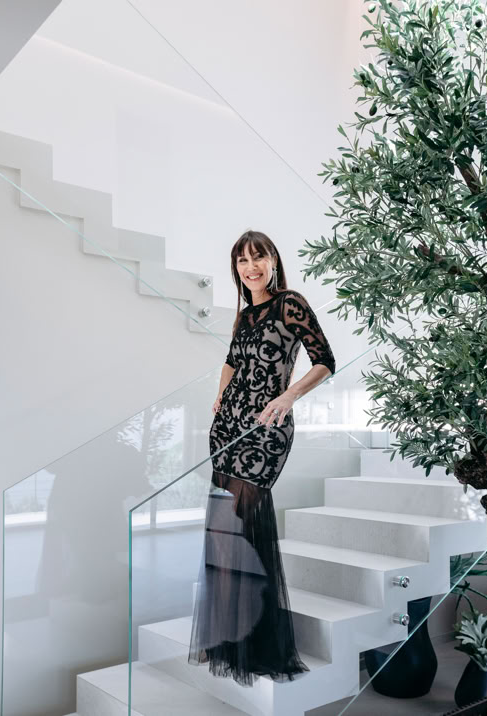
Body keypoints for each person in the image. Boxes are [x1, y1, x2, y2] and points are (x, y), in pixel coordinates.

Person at [188, 229, 336, 687]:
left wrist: (289, 397)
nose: (251, 267)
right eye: (242, 260)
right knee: (223, 531)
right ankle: (227, 638)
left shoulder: (290, 304)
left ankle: (258, 645)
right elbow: (231, 361)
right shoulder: (245, 315)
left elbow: (325, 360)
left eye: (259, 257)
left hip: (266, 431)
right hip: (228, 428)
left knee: (247, 529)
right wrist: (220, 397)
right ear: (235, 268)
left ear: (273, 261)